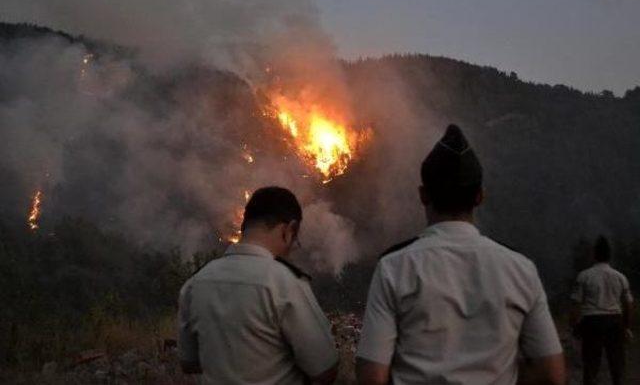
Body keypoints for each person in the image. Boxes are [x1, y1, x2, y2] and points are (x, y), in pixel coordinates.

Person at [356, 125, 566, 385]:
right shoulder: (520, 269)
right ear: (480, 196)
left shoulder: (394, 267)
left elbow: (372, 377)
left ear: (423, 195)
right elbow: (553, 374)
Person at [178, 186, 338, 384]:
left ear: (244, 224)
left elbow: (188, 363)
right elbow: (324, 370)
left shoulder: (196, 283)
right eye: (295, 240)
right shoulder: (284, 282)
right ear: (288, 230)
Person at [571, 236, 634, 385]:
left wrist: (574, 326)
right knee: (617, 365)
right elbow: (628, 304)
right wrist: (627, 326)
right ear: (610, 256)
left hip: (591, 321)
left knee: (591, 365)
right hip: (614, 320)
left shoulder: (584, 276)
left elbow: (576, 304)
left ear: (594, 255)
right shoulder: (620, 277)